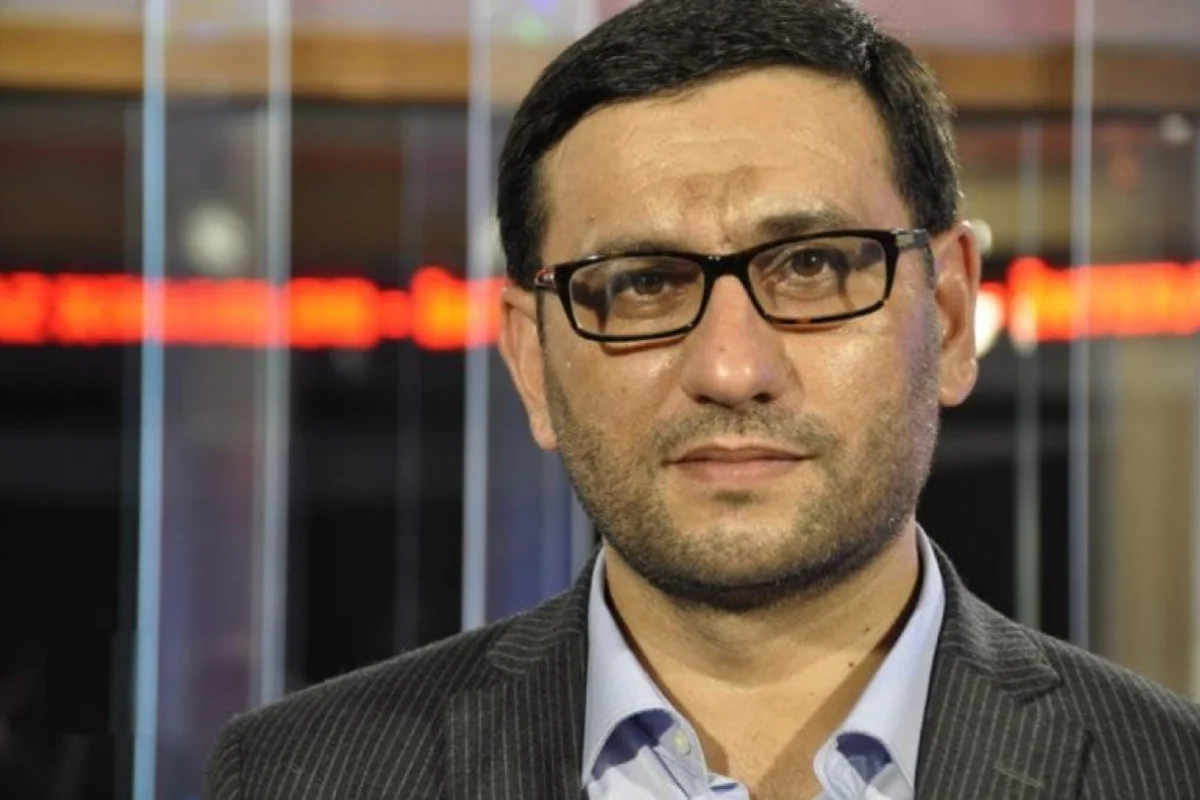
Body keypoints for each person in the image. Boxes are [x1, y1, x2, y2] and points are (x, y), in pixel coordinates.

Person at [204, 0, 1200, 797]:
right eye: (642, 283)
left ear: (944, 317)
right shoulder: (303, 777)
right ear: (532, 360)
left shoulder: (1167, 771)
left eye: (812, 266)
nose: (729, 368)